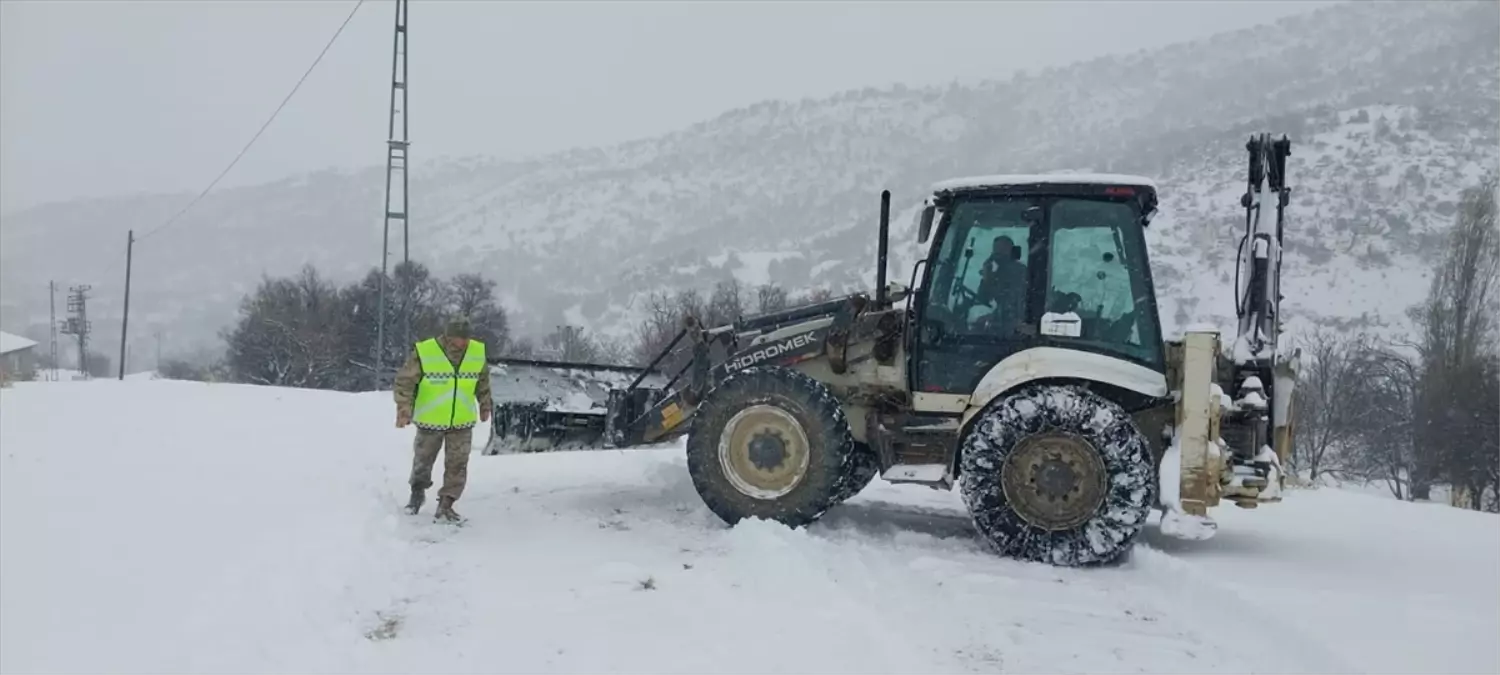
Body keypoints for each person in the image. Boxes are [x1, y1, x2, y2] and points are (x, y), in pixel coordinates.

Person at [393, 317, 491, 522]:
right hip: (431, 420)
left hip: (461, 421)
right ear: (447, 336)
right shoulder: (426, 351)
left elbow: (482, 381)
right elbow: (406, 381)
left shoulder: (476, 352)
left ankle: (446, 504)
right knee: (423, 461)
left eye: (466, 338)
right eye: (458, 338)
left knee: (458, 464)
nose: (463, 343)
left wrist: (485, 403)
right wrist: (404, 408)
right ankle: (417, 494)